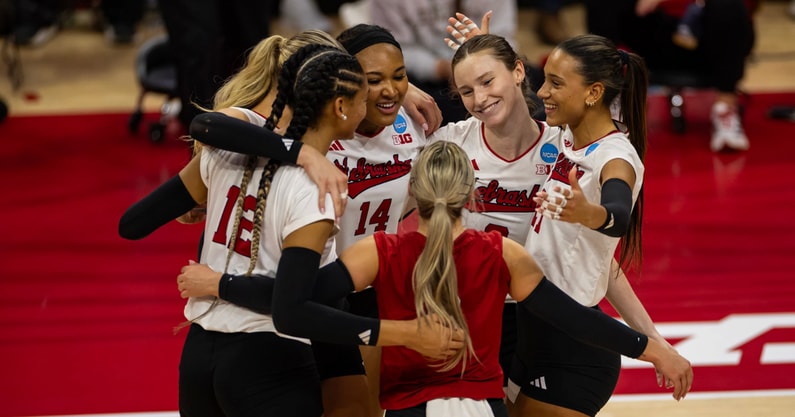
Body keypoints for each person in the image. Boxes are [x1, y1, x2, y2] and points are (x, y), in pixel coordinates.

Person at [266, 140, 693, 416]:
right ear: (473, 195)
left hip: (408, 407)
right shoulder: (501, 253)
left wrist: (223, 287)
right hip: (484, 408)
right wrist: (653, 350)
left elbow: (298, 302)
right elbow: (576, 319)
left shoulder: (378, 252)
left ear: (414, 191)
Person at [182, 43, 458, 417]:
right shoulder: (289, 130)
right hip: (288, 292)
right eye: (370, 81)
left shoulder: (412, 127)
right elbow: (210, 130)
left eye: (397, 76)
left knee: (363, 408)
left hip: (355, 291)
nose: (386, 89)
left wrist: (402, 89)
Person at [583, 0, 757, 152]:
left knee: (728, 4)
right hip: (653, 33)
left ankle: (725, 109)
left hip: (706, 37)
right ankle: (618, 98)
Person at [369, 0, 518, 125]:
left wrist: (480, 57)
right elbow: (393, 49)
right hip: (425, 79)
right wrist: (442, 68)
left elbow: (505, 37)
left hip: (482, 64)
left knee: (519, 83)